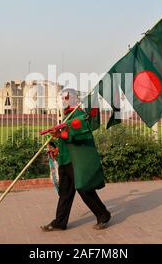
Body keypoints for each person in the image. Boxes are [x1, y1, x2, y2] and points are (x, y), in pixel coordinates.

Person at [41, 88, 111, 231]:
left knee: (84, 189)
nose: (63, 100)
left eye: (65, 98)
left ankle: (103, 214)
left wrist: (60, 134)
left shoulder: (78, 113)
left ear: (73, 98)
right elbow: (67, 140)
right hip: (65, 159)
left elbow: (80, 134)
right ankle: (60, 222)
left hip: (75, 160)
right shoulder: (67, 115)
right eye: (62, 98)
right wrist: (57, 150)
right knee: (65, 193)